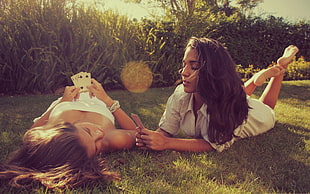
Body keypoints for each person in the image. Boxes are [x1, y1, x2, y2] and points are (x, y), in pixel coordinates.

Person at [136, 37, 299, 152]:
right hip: (231, 98)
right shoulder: (180, 94)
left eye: (193, 66)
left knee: (268, 108)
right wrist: (153, 138)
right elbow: (165, 130)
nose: (184, 73)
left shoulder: (227, 104)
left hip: (256, 116)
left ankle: (280, 68)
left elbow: (213, 144)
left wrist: (167, 143)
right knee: (236, 94)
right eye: (184, 64)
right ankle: (255, 81)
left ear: (212, 69)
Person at [0, 79, 137, 188]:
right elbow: (137, 132)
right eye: (95, 147)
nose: (99, 134)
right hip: (99, 101)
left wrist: (62, 101)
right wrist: (108, 101)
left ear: (65, 127)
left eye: (87, 131)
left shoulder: (56, 129)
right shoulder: (110, 140)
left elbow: (30, 133)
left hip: (66, 101)